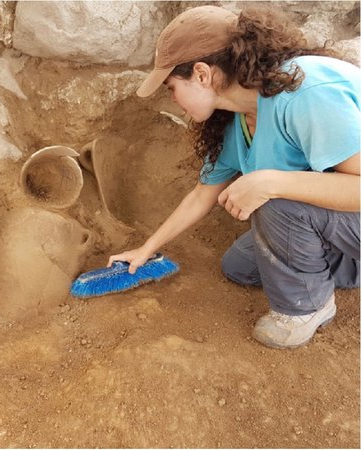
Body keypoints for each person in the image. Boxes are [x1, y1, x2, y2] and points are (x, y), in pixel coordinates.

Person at [108, 5, 360, 349]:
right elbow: (202, 194)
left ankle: (307, 307)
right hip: (345, 222)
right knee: (240, 264)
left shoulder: (308, 93)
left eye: (171, 87)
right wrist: (145, 249)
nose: (172, 100)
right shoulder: (239, 121)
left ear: (201, 74)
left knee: (276, 204)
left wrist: (271, 183)